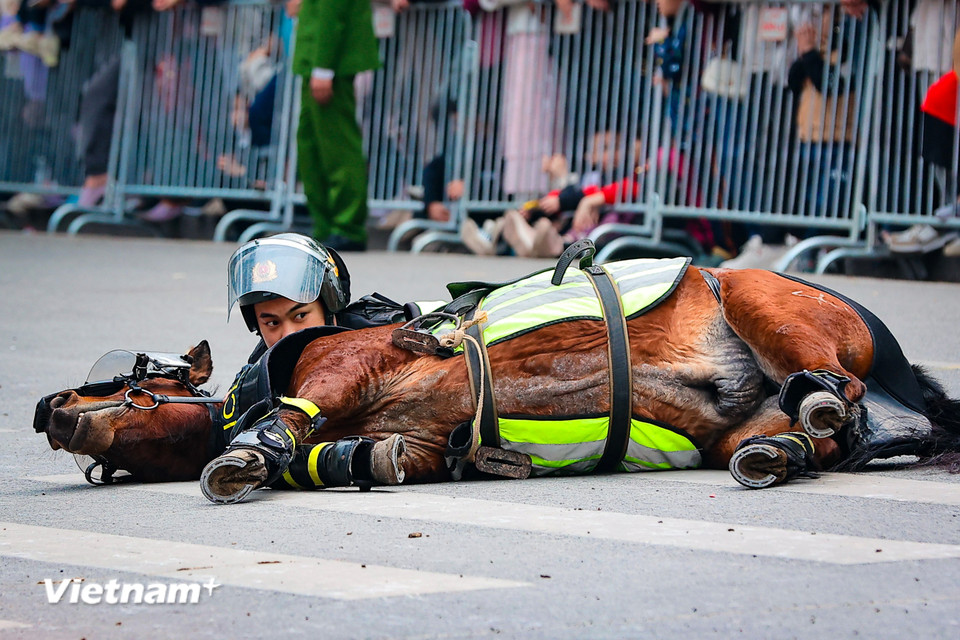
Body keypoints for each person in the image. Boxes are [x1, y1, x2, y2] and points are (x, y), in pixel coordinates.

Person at [201, 233, 444, 503]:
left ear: (329, 305)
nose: (287, 333)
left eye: (300, 315)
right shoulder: (263, 370)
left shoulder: (381, 328)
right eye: (271, 323)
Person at [291, 0, 379, 252]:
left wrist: (324, 67)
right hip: (315, 56)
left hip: (329, 61)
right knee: (311, 146)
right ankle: (326, 225)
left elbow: (333, 10)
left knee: (337, 147)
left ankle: (347, 226)